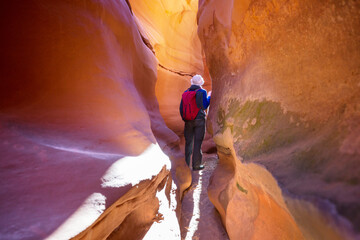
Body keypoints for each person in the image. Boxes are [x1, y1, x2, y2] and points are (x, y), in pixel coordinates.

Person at [179, 74, 211, 170]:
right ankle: (196, 165)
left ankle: (186, 165)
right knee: (197, 143)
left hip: (188, 121)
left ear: (192, 82)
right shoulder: (202, 92)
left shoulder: (186, 92)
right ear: (201, 82)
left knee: (188, 143)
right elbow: (204, 106)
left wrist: (186, 119)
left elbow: (181, 108)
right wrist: (209, 97)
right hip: (199, 121)